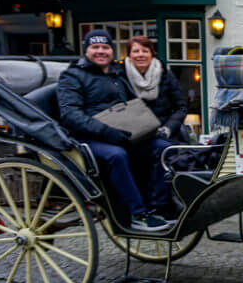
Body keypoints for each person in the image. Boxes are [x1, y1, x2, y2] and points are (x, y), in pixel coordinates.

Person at [56, 29, 174, 232]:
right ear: (86, 50)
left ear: (112, 50)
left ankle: (157, 207)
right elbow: (70, 115)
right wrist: (106, 131)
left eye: (105, 47)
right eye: (95, 47)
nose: (101, 51)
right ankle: (137, 214)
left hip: (121, 135)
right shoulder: (72, 76)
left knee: (163, 148)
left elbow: (131, 105)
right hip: (89, 139)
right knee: (117, 156)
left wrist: (147, 128)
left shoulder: (117, 73)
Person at [125, 35, 188, 144]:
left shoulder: (165, 75)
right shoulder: (120, 76)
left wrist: (168, 129)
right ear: (129, 55)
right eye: (135, 51)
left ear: (152, 54)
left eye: (145, 51)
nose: (140, 55)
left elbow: (181, 107)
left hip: (163, 134)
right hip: (132, 136)